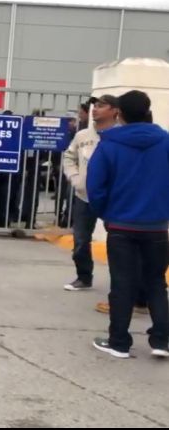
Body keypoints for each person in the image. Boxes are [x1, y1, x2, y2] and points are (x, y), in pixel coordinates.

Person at [87, 90, 169, 360]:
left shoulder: (109, 144)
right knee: (156, 282)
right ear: (148, 111)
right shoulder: (165, 142)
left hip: (121, 224)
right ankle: (161, 341)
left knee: (122, 284)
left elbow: (95, 186)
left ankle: (119, 341)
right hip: (157, 225)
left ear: (119, 114)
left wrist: (107, 214)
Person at [62, 95, 120, 292]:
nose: (95, 109)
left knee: (118, 243)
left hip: (112, 199)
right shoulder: (82, 136)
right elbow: (68, 157)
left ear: (115, 110)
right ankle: (84, 276)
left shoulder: (121, 135)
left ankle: (120, 284)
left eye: (101, 106)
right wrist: (75, 178)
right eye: (95, 106)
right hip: (84, 196)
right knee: (80, 241)